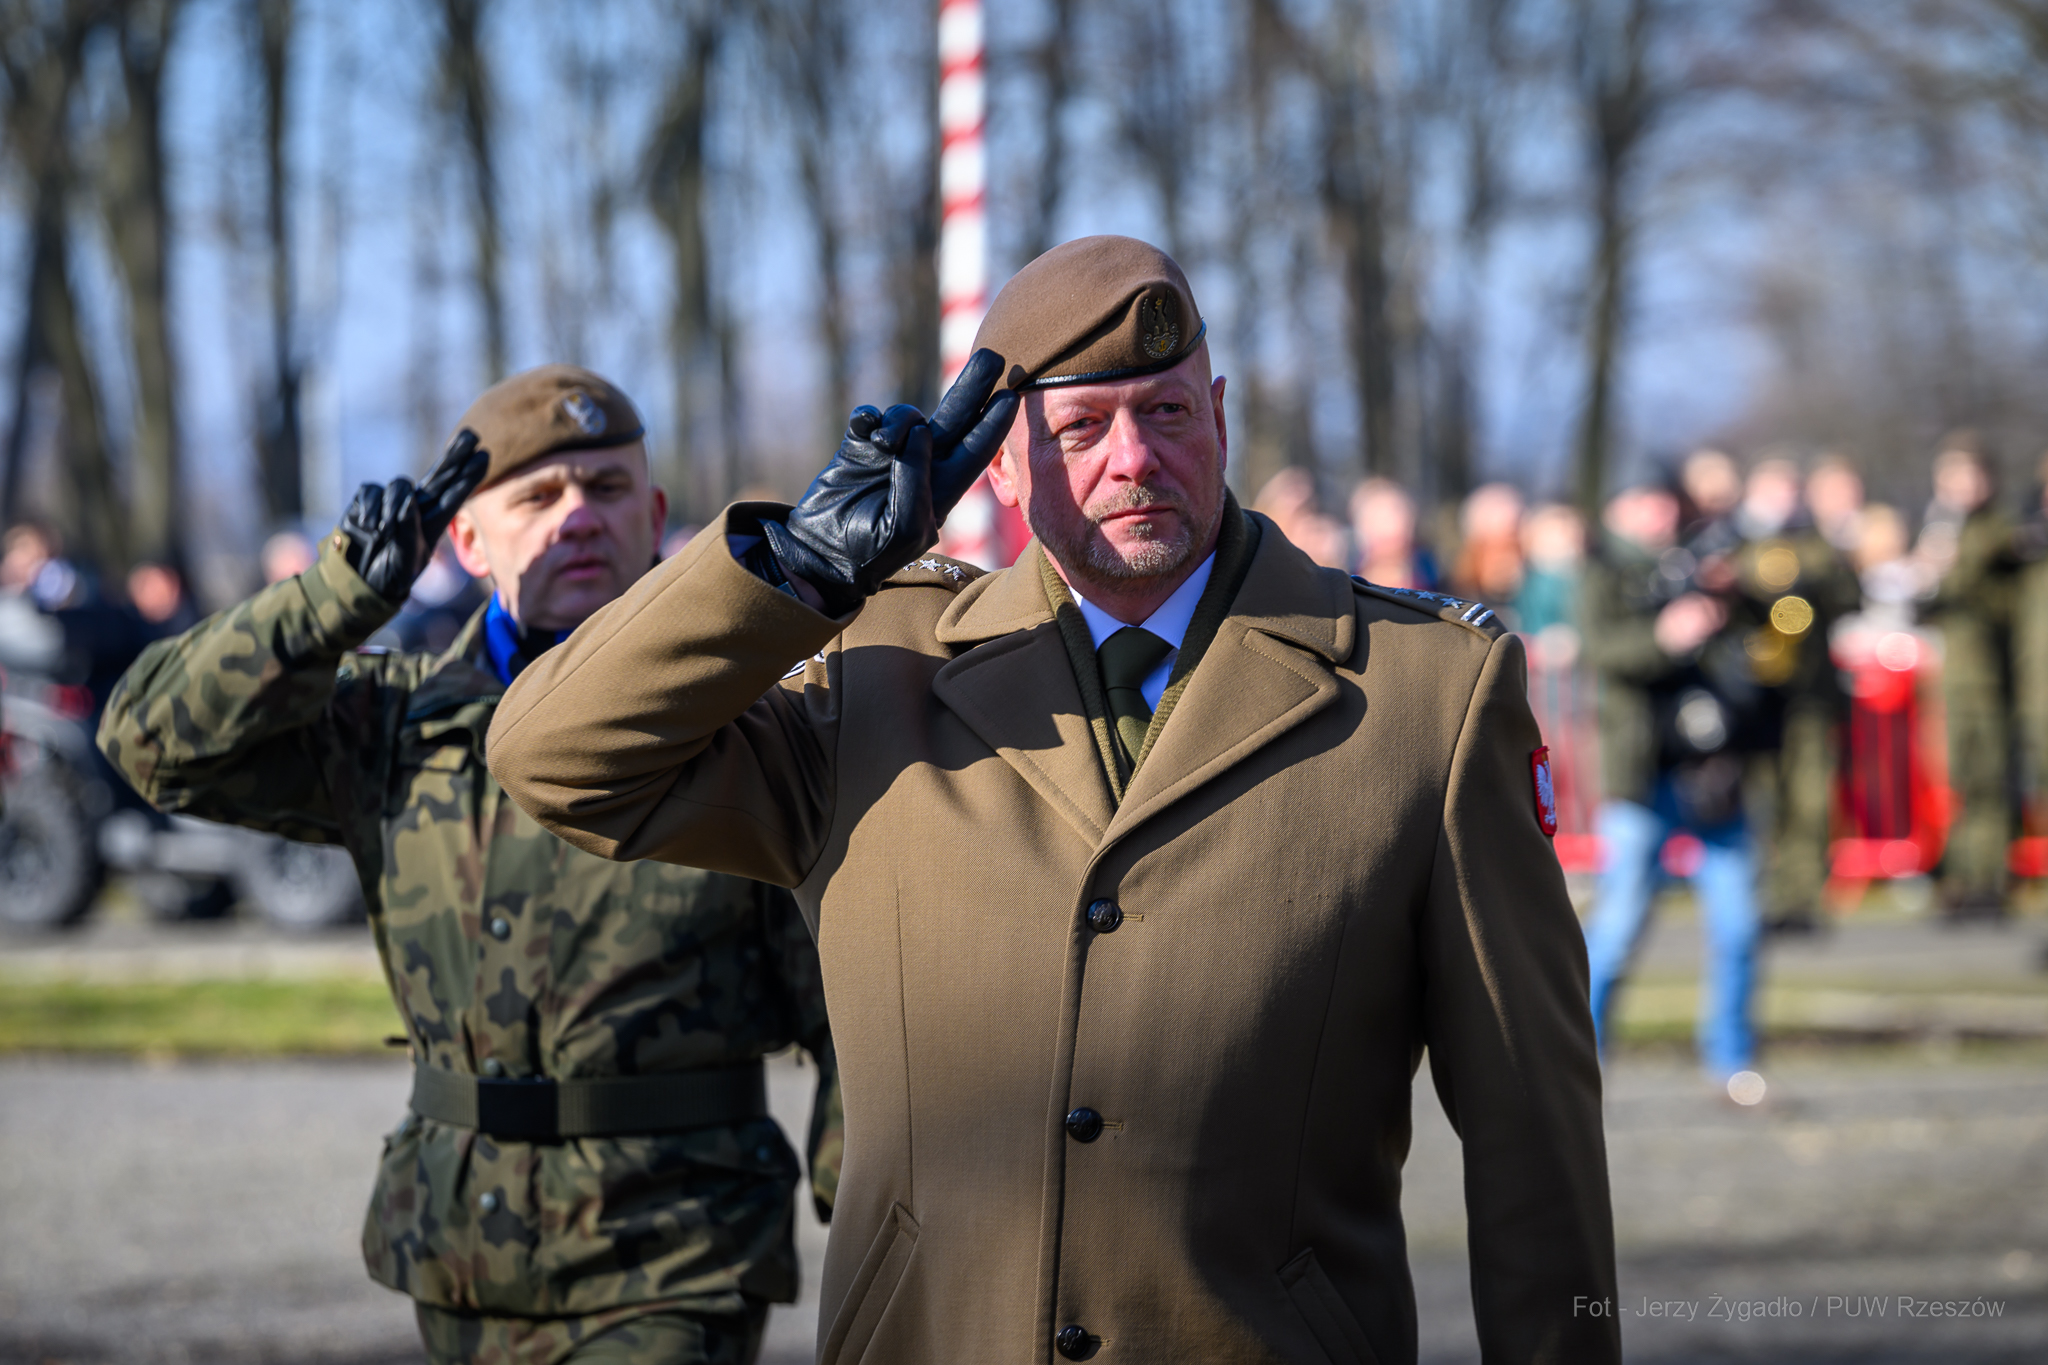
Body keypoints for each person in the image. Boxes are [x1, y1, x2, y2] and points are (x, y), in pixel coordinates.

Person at [487, 237, 1617, 1364]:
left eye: (1166, 414)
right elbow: (556, 758)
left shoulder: (1422, 693)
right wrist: (794, 576)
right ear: (1000, 468)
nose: (1133, 460)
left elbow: (1536, 1134)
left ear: (1218, 415)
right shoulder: (877, 677)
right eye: (1079, 431)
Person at [99, 366, 839, 1365]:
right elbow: (152, 741)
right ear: (466, 539)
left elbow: (849, 987)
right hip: (460, 1246)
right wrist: (335, 594)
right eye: (537, 495)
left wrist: (868, 1188)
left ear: (656, 515)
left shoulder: (743, 724)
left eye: (606, 489)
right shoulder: (397, 722)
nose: (576, 516)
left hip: (672, 1250)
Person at [1581, 479, 1768, 1103]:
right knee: (1620, 923)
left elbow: (1766, 640)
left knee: (1739, 921)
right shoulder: (1602, 570)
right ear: (1619, 508)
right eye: (1645, 501)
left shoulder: (1704, 560)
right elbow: (1598, 650)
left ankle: (1731, 1060)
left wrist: (1730, 601)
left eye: (1666, 502)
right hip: (1639, 775)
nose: (1659, 513)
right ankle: (1580, 1056)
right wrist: (1665, 636)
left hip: (1712, 771)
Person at [1733, 458, 1861, 932]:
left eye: (1791, 490)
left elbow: (1850, 596)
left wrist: (1823, 567)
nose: (1784, 500)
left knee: (1810, 796)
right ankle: (1765, 896)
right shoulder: (1740, 542)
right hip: (1758, 694)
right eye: (1774, 490)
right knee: (1766, 798)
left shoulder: (1817, 543)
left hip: (1810, 694)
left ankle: (1803, 899)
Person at [1917, 431, 2021, 919]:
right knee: (1955, 780)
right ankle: (1960, 877)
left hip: (1993, 677)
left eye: (1967, 475)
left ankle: (1989, 879)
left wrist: (1945, 557)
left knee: (1990, 778)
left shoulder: (1997, 531)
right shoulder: (1941, 531)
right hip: (1949, 679)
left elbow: (1977, 589)